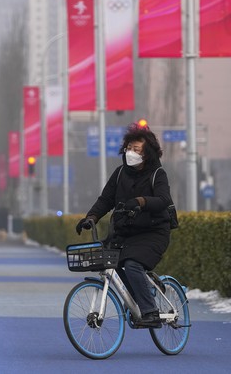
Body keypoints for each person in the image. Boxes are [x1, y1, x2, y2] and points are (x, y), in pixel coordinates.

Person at [76, 122, 173, 328]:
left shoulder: (158, 174)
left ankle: (150, 311)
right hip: (125, 233)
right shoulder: (120, 173)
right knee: (111, 261)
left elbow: (163, 200)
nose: (131, 153)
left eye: (137, 149)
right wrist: (91, 217)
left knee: (131, 263)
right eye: (129, 148)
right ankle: (138, 299)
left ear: (147, 153)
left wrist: (141, 201)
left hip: (153, 233)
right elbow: (106, 199)